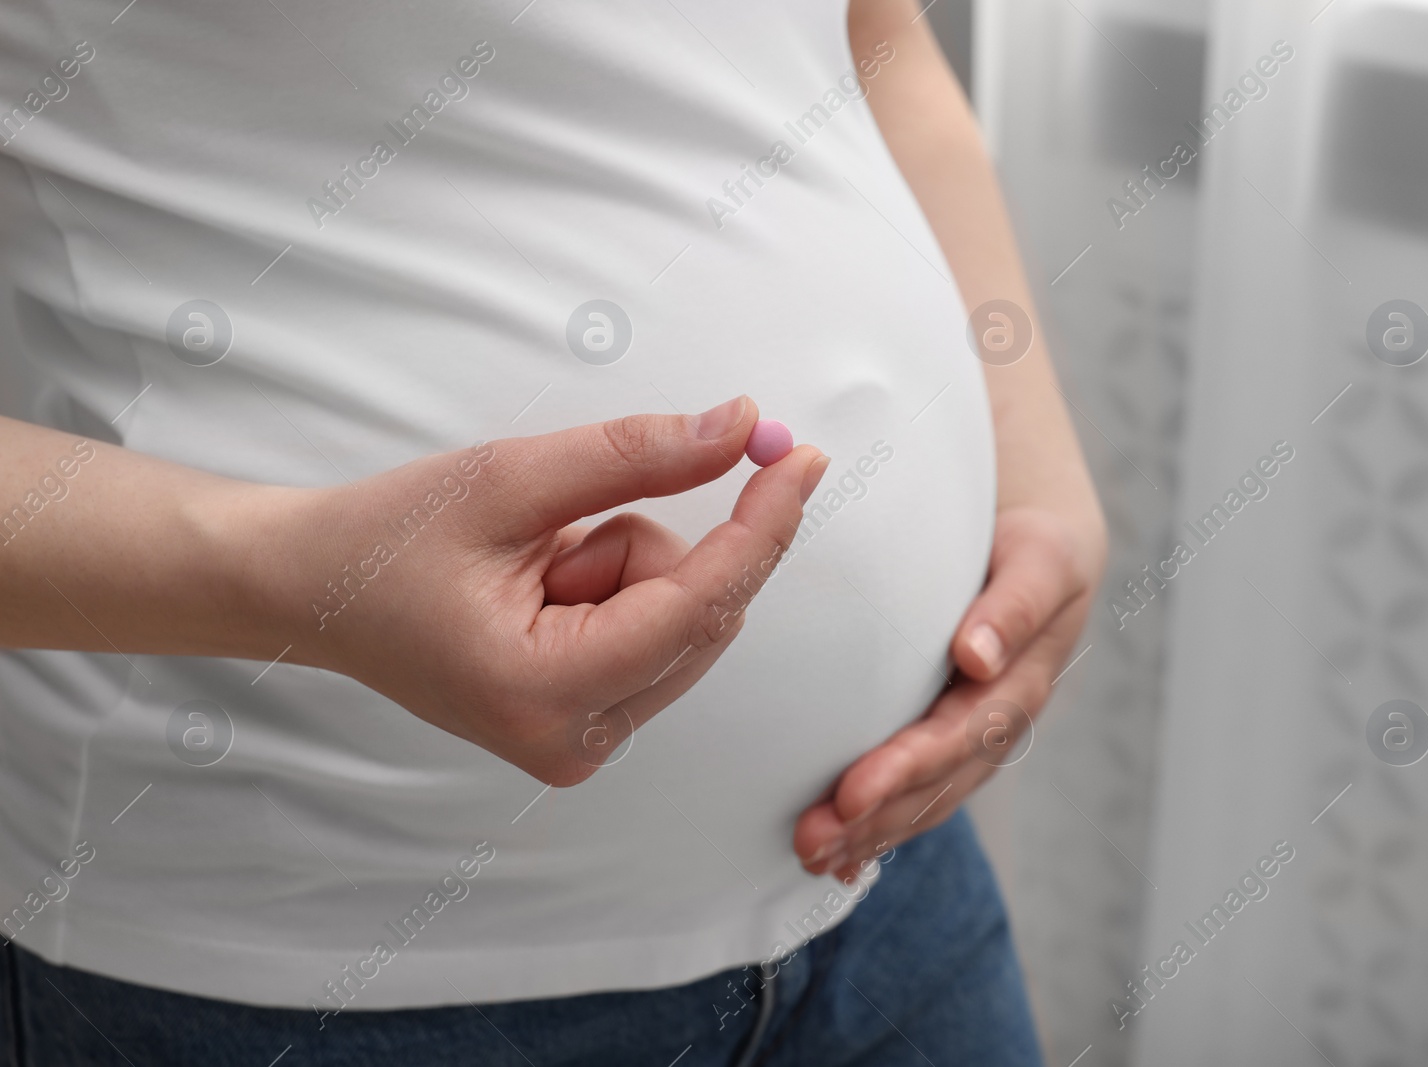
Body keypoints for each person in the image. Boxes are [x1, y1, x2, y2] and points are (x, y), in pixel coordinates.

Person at [0, 0, 1105, 1063]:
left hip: (887, 894)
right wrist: (307, 582)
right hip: (319, 966)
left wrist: (1033, 464)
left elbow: (875, 34)